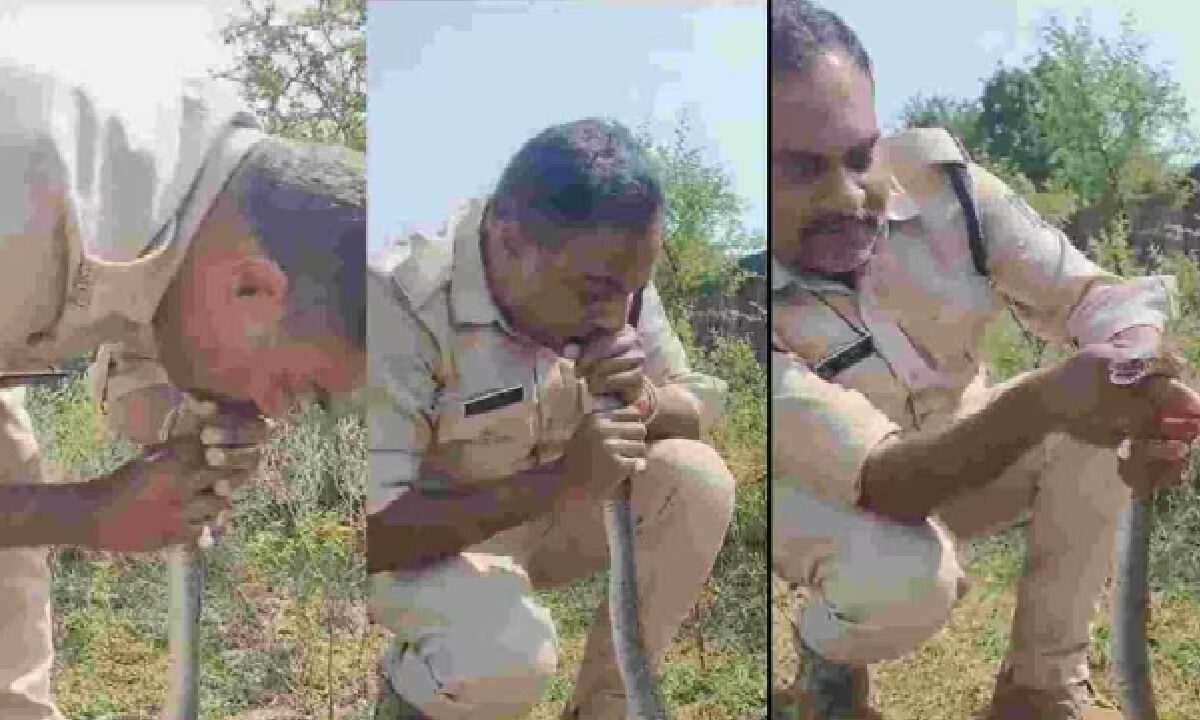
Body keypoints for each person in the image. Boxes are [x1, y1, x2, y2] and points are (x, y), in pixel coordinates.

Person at [769, 2, 1200, 719]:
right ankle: (826, 657)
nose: (847, 196)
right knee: (900, 579)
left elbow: (1093, 296)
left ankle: (1040, 688)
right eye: (799, 169)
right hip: (831, 502)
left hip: (970, 456)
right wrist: (1045, 400)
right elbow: (884, 482)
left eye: (859, 156)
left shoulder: (948, 189)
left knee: (1101, 415)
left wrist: (1140, 369)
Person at [0, 58, 364, 720]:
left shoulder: (205, 217)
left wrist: (180, 427)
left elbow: (134, 371)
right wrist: (85, 513)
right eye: (294, 387)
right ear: (254, 286)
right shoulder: (24, 192)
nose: (275, 414)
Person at [366, 117, 736, 719]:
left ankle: (605, 709)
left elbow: (693, 409)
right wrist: (564, 479)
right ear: (510, 240)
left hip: (548, 522)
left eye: (631, 290)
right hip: (427, 547)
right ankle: (414, 695)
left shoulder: (616, 280)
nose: (614, 315)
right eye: (593, 292)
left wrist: (643, 398)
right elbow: (375, 533)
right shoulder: (400, 301)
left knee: (695, 478)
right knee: (504, 652)